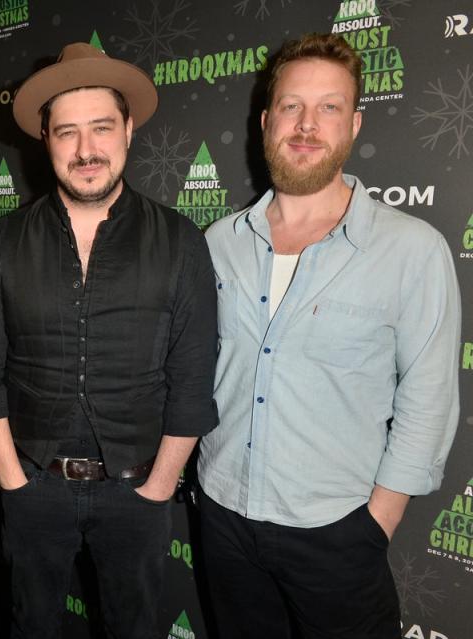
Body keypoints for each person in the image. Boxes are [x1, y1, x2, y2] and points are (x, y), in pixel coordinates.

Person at [197, 33, 461, 638]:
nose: (307, 124)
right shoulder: (218, 243)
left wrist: (375, 524)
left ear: (354, 123)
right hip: (222, 515)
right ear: (267, 121)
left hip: (337, 532)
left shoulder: (411, 250)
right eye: (292, 106)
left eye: (329, 107)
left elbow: (428, 399)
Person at [0, 43, 218, 639]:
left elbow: (194, 378)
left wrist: (159, 490)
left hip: (139, 491)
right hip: (32, 486)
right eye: (66, 132)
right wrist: (14, 483)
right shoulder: (0, 243)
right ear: (44, 139)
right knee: (32, 627)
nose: (85, 150)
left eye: (101, 127)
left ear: (127, 129)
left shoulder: (179, 241)